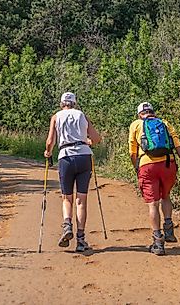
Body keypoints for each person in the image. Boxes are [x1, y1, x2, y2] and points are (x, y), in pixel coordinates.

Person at [128, 101, 180, 256]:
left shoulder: (135, 125)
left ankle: (158, 242)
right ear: (152, 112)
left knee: (153, 204)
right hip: (168, 164)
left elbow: (132, 151)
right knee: (166, 196)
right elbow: (177, 144)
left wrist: (137, 166)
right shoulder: (164, 122)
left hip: (147, 166)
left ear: (139, 114)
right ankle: (169, 230)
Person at [44, 92, 102, 252]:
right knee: (81, 200)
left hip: (66, 157)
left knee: (66, 198)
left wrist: (48, 152)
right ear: (74, 103)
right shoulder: (81, 115)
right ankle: (81, 239)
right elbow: (96, 138)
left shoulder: (56, 117)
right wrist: (88, 141)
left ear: (61, 103)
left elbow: (50, 141)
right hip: (84, 156)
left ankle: (67, 225)